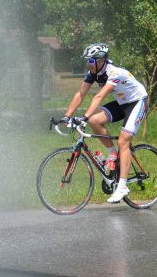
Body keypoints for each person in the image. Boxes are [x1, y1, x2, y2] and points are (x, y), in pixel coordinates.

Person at [62, 43, 149, 203]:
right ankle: (112, 153)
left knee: (123, 140)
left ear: (101, 60)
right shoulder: (93, 74)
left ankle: (122, 186)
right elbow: (80, 94)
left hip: (137, 102)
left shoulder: (114, 72)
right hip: (122, 103)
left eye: (91, 61)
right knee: (95, 121)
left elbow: (99, 96)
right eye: (87, 61)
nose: (88, 64)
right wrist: (67, 116)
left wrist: (84, 117)